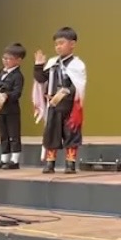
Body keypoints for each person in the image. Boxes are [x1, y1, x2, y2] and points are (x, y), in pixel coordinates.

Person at [32, 27, 86, 174]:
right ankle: (50, 163)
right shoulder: (52, 63)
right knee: (51, 134)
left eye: (62, 43)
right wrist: (38, 66)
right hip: (53, 105)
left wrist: (65, 92)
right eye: (56, 44)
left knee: (71, 134)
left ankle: (70, 164)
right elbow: (41, 79)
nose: (58, 47)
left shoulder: (77, 65)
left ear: (72, 44)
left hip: (69, 106)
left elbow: (78, 86)